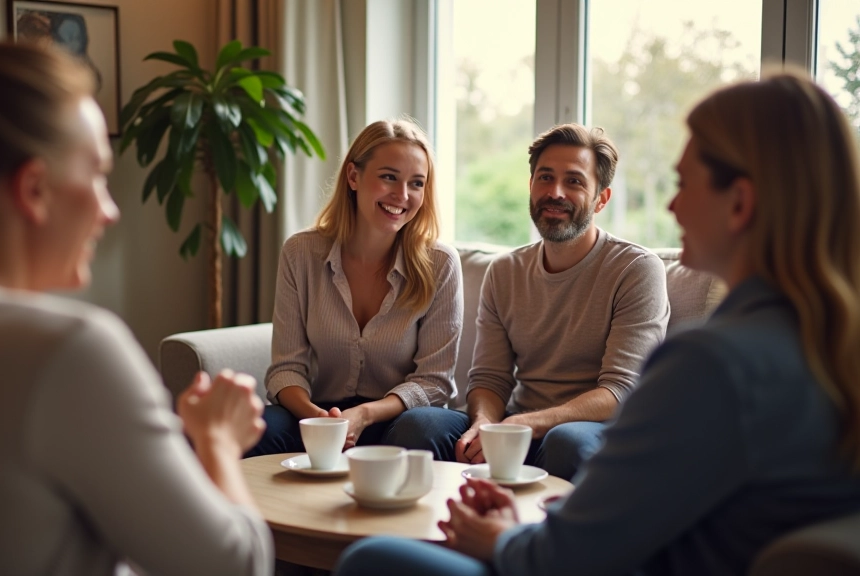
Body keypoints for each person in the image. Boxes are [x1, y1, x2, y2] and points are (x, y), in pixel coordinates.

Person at [333, 69, 860, 576]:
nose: (672, 206)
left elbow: (570, 555)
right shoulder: (823, 338)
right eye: (545, 177)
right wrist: (515, 502)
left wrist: (502, 539)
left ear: (740, 203)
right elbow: (648, 511)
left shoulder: (714, 361)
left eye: (683, 183)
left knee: (369, 561)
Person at [0, 28, 272, 576]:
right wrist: (216, 441)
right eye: (97, 174)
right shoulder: (70, 351)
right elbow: (235, 568)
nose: (109, 211)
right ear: (34, 190)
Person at [393, 123, 669, 480]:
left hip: (589, 431)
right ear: (530, 185)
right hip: (517, 427)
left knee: (564, 441)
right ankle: (426, 531)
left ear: (602, 198)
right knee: (419, 424)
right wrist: (485, 425)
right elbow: (490, 379)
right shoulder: (505, 271)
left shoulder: (637, 269)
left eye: (574, 181)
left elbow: (620, 391)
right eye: (545, 177)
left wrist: (528, 424)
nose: (555, 192)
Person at [246, 119, 463, 457]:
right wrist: (318, 419)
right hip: (318, 412)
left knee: (424, 428)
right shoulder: (301, 252)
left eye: (416, 183)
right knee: (257, 428)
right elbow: (286, 368)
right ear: (353, 177)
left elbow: (434, 382)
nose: (402, 196)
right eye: (389, 177)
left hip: (399, 417)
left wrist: (363, 414)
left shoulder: (440, 263)